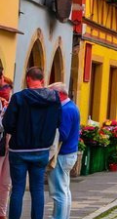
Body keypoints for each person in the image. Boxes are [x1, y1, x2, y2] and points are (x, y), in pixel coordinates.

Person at [1, 67, 61, 219]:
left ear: (28, 79)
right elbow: (58, 122)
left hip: (19, 150)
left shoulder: (19, 98)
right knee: (37, 190)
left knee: (18, 190)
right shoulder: (54, 98)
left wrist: (18, 130)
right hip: (41, 149)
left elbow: (7, 124)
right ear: (42, 80)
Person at [46, 83, 79, 219]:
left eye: (50, 94)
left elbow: (62, 135)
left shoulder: (65, 110)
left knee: (58, 192)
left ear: (59, 94)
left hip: (62, 154)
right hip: (69, 153)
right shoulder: (71, 107)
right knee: (64, 189)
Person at [0, 80, 13, 219]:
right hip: (1, 145)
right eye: (4, 87)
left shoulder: (11, 105)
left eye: (9, 88)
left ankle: (2, 212)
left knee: (5, 183)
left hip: (8, 147)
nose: (7, 90)